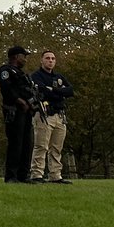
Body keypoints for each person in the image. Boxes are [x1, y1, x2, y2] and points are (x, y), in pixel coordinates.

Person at [29, 51, 74, 184]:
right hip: (45, 114)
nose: (50, 61)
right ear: (41, 61)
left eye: (53, 58)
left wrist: (54, 91)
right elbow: (42, 91)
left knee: (57, 147)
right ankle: (37, 174)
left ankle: (55, 175)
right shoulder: (36, 76)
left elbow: (70, 90)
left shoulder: (59, 76)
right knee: (41, 145)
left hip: (59, 115)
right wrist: (60, 92)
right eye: (47, 58)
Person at [0, 46, 37, 183]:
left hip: (26, 112)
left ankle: (23, 175)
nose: (25, 59)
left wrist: (31, 104)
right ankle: (11, 176)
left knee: (27, 143)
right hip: (13, 110)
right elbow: (7, 90)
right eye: (23, 56)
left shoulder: (22, 74)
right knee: (16, 143)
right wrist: (20, 101)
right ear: (15, 56)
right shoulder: (5, 71)